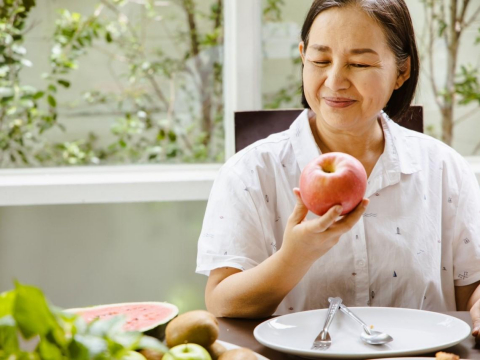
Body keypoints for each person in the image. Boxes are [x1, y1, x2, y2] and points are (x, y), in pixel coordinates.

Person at [196, 0, 480, 341]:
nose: (334, 81)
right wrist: (294, 257)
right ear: (302, 56)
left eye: (359, 63)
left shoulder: (444, 168)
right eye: (320, 60)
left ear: (401, 71)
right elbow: (222, 303)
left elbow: (472, 287)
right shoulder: (250, 172)